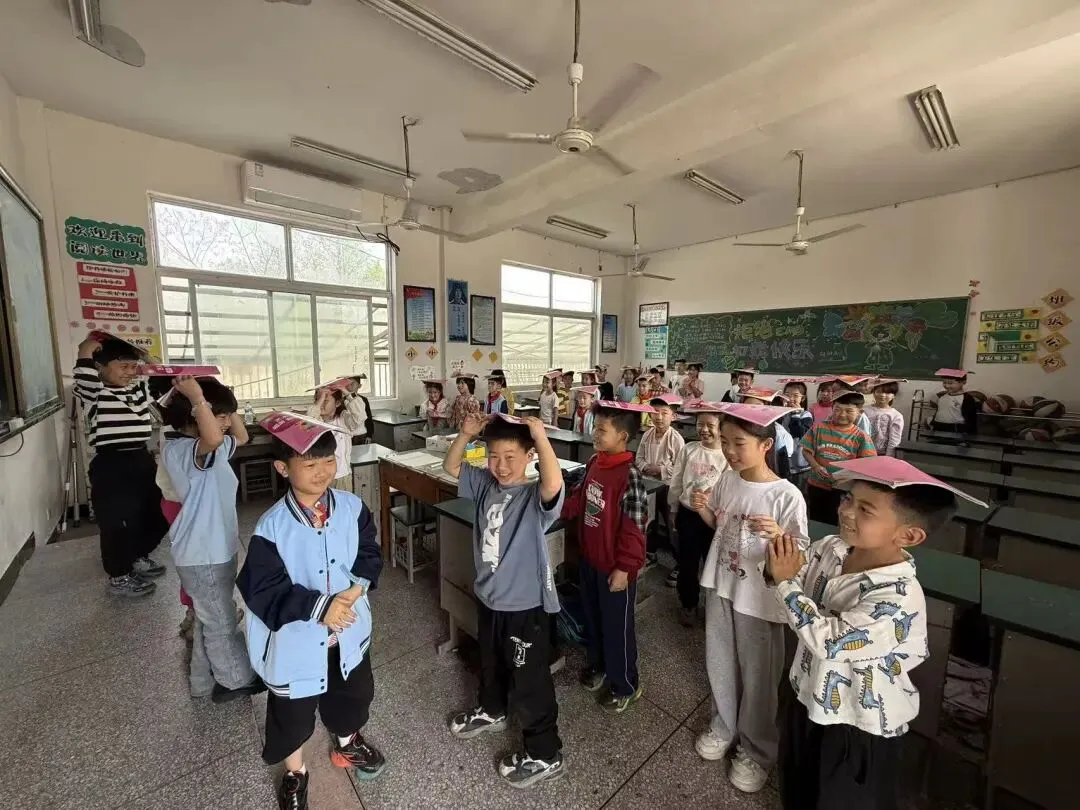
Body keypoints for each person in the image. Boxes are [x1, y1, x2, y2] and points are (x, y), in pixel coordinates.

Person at [768, 456, 973, 809]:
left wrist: (785, 583)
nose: (846, 511)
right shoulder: (831, 548)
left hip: (856, 723)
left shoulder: (898, 596)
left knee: (838, 800)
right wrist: (776, 562)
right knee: (796, 784)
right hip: (805, 693)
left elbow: (830, 640)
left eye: (865, 510)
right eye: (848, 498)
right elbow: (794, 575)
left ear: (908, 535)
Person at [237, 414, 385, 810]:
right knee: (292, 715)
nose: (322, 471)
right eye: (309, 463)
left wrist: (357, 587)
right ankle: (295, 773)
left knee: (352, 695)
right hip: (298, 644)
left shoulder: (352, 507)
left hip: (348, 634)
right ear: (283, 468)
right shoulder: (271, 528)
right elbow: (263, 590)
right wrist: (320, 607)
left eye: (328, 461)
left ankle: (347, 742)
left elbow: (369, 552)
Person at [443, 413, 566, 788]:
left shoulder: (533, 497)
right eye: (494, 456)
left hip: (524, 606)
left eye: (511, 456)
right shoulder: (485, 485)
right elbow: (451, 467)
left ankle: (545, 753)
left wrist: (540, 437)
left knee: (529, 679)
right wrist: (465, 435)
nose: (501, 465)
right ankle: (492, 709)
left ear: (529, 456)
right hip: (490, 597)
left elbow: (553, 483)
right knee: (491, 660)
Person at [693, 403, 808, 793]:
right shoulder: (728, 479)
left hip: (759, 598)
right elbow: (720, 525)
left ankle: (756, 750)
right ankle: (723, 725)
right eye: (725, 442)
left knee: (759, 674)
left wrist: (778, 534)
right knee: (720, 660)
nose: (728, 450)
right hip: (721, 584)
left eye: (738, 443)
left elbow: (799, 556)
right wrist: (703, 510)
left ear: (765, 445)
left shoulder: (786, 495)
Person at [161, 374, 263, 702]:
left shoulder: (211, 448)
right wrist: (197, 398)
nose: (226, 423)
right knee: (221, 622)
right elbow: (215, 438)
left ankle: (202, 680)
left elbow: (241, 437)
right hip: (202, 553)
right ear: (194, 415)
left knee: (211, 618)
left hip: (216, 549)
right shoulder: (182, 450)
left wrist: (225, 402)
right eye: (220, 417)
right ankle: (236, 680)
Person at [562, 401, 650, 713]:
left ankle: (626, 684)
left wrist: (625, 568)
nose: (595, 434)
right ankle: (599, 665)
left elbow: (635, 529)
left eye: (602, 430)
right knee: (594, 619)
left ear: (623, 436)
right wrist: (557, 507)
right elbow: (579, 500)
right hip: (590, 561)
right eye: (595, 428)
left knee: (617, 629)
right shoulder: (594, 463)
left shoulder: (630, 475)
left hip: (615, 569)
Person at [73, 333, 169, 597]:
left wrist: (146, 358)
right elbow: (84, 377)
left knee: (157, 512)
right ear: (100, 367)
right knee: (115, 523)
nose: (130, 372)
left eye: (133, 367)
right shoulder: (94, 393)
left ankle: (137, 555)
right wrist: (85, 350)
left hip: (141, 459)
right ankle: (119, 576)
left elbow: (161, 380)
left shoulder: (137, 391)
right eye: (123, 366)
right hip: (111, 463)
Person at [668, 403, 730, 622]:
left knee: (714, 566)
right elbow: (676, 481)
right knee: (688, 563)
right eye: (699, 424)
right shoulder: (689, 449)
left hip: (714, 519)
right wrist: (674, 508)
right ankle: (689, 604)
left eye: (710, 425)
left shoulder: (727, 455)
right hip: (688, 515)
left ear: (721, 428)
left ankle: (715, 612)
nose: (704, 429)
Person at [801, 391, 877, 524]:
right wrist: (816, 466)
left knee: (838, 519)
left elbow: (868, 464)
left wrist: (848, 478)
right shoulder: (818, 428)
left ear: (860, 412)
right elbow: (806, 451)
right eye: (837, 409)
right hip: (816, 484)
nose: (842, 414)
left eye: (849, 411)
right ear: (832, 409)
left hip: (843, 489)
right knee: (815, 518)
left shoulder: (861, 437)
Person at [636, 394, 686, 562]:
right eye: (655, 412)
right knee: (649, 521)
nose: (659, 417)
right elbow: (639, 458)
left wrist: (661, 470)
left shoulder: (676, 439)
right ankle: (651, 553)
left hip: (667, 487)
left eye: (664, 413)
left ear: (674, 416)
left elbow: (680, 467)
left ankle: (679, 562)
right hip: (649, 485)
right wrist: (645, 467)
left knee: (672, 525)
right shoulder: (647, 434)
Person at [308, 380, 373, 490]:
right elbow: (309, 423)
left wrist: (347, 393)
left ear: (337, 403)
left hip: (342, 476)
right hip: (321, 477)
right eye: (318, 400)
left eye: (325, 400)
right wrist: (321, 399)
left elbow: (360, 416)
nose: (321, 404)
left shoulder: (344, 419)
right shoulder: (316, 421)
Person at [739, 388, 794, 479]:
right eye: (746, 407)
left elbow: (783, 468)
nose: (751, 411)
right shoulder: (738, 429)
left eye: (756, 407)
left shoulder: (780, 434)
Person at [780, 381, 815, 491]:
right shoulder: (781, 414)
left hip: (799, 464)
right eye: (787, 395)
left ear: (802, 398)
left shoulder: (806, 415)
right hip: (785, 460)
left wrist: (796, 414)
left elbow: (799, 434)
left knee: (798, 490)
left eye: (795, 395)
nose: (791, 398)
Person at [926, 368, 979, 434]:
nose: (947, 385)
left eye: (950, 383)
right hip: (938, 428)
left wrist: (970, 436)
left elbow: (971, 420)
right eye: (944, 382)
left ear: (963, 382)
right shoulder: (942, 397)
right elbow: (940, 411)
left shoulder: (967, 399)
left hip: (955, 430)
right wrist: (932, 423)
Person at [863, 378, 905, 456]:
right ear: (873, 392)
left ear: (894, 395)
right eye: (879, 391)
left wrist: (888, 457)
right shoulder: (864, 410)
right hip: (863, 451)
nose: (883, 395)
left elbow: (894, 440)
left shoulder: (896, 416)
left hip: (882, 454)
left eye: (888, 392)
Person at [346, 375, 375, 442]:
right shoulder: (342, 400)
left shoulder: (363, 399)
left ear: (359, 386)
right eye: (347, 384)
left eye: (352, 383)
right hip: (348, 436)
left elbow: (368, 418)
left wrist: (369, 435)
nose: (349, 386)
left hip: (361, 435)